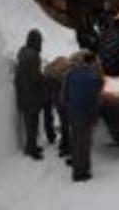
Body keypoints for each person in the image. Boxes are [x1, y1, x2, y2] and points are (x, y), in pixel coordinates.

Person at [63, 51, 103, 182]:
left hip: (74, 113)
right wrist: (95, 116)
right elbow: (95, 98)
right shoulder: (94, 76)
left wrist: (69, 109)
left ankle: (77, 167)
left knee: (76, 141)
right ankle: (81, 172)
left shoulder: (70, 74)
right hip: (87, 114)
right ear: (91, 63)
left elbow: (64, 95)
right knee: (85, 143)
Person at [15, 29, 45, 160]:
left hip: (23, 93)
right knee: (33, 122)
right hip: (32, 94)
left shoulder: (22, 53)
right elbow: (35, 78)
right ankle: (31, 149)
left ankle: (30, 146)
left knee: (28, 123)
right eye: (39, 41)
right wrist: (42, 78)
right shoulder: (34, 56)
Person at [43, 56, 73, 156]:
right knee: (64, 118)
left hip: (47, 90)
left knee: (48, 114)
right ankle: (65, 144)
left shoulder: (50, 67)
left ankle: (51, 137)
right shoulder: (64, 69)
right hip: (55, 90)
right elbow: (63, 82)